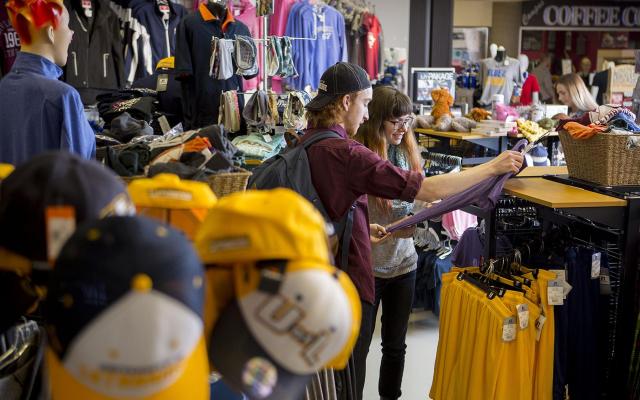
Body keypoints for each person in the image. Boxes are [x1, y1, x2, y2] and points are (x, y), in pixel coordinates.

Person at [300, 62, 523, 399]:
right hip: (350, 277)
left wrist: (361, 224)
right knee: (351, 366)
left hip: (321, 277)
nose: (364, 115)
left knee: (348, 363)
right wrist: (493, 166)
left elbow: (331, 204)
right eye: (364, 103)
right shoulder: (347, 153)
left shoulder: (309, 141)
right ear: (346, 102)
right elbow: (428, 190)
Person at [353, 85, 423, 400]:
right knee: (359, 346)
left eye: (407, 121)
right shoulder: (360, 155)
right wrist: (367, 227)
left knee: (395, 345)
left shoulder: (409, 152)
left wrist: (417, 222)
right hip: (368, 267)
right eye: (395, 121)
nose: (402, 128)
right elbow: (349, 211)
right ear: (377, 120)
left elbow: (418, 203)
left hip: (404, 263)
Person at [0, 0, 95, 165]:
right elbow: (77, 175)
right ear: (51, 33)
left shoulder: (3, 88)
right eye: (67, 26)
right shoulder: (64, 97)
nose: (72, 34)